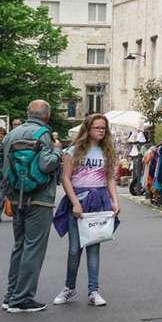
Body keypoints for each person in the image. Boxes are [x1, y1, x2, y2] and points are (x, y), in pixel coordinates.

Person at [0, 101, 61, 313]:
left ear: (27, 113)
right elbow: (46, 164)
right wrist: (58, 152)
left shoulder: (13, 133)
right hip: (40, 198)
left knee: (19, 246)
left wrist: (9, 176)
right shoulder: (44, 134)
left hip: (15, 197)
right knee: (34, 248)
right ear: (47, 116)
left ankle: (10, 295)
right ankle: (22, 299)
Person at [52, 113, 120, 307]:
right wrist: (75, 202)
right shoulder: (73, 151)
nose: (101, 131)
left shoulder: (107, 151)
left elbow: (109, 179)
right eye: (97, 127)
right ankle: (69, 287)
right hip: (79, 199)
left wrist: (115, 201)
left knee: (94, 247)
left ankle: (93, 290)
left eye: (103, 128)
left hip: (99, 200)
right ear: (88, 129)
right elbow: (65, 178)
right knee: (74, 249)